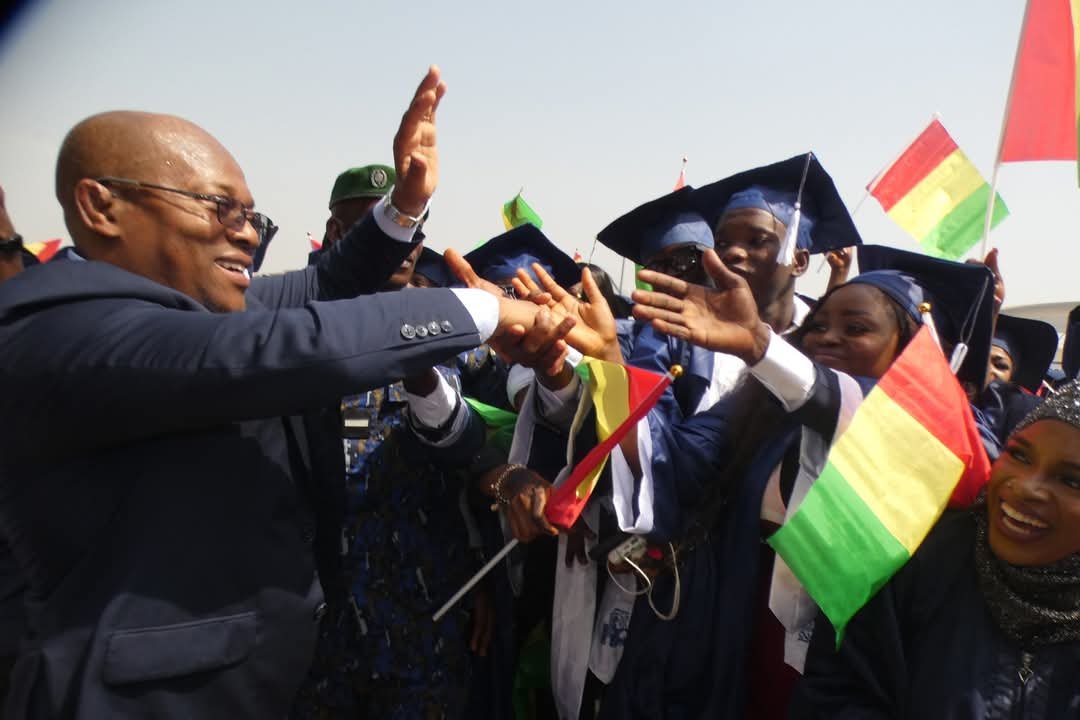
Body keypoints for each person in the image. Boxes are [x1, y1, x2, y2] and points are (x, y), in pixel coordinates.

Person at [0, 67, 556, 719]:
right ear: (101, 207)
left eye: (251, 216)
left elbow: (322, 288)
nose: (247, 233)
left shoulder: (191, 307)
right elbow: (286, 345)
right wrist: (491, 314)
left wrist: (404, 206)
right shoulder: (61, 328)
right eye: (219, 208)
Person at [603, 244, 995, 719]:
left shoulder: (949, 434)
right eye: (817, 327)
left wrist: (763, 347)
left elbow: (876, 418)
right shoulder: (761, 412)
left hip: (857, 660)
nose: (826, 338)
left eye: (857, 328)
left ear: (912, 349)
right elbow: (671, 464)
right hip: (747, 633)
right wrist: (606, 363)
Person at [791, 379, 1080, 717]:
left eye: (1071, 480)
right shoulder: (913, 558)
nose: (1026, 488)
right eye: (1018, 454)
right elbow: (835, 693)